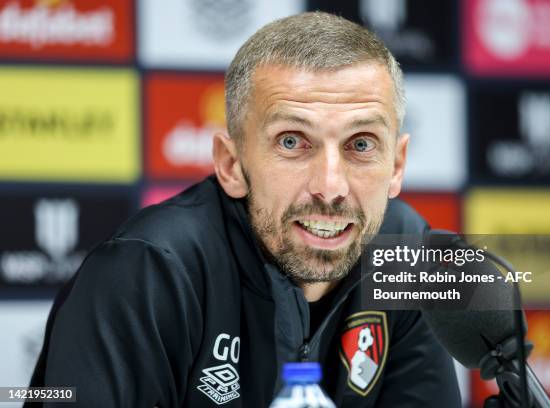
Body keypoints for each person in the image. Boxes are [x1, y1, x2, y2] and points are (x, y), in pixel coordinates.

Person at [28, 12, 461, 407]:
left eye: (361, 144)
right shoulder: (144, 271)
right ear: (231, 165)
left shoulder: (408, 255)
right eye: (292, 141)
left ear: (397, 165)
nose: (331, 187)